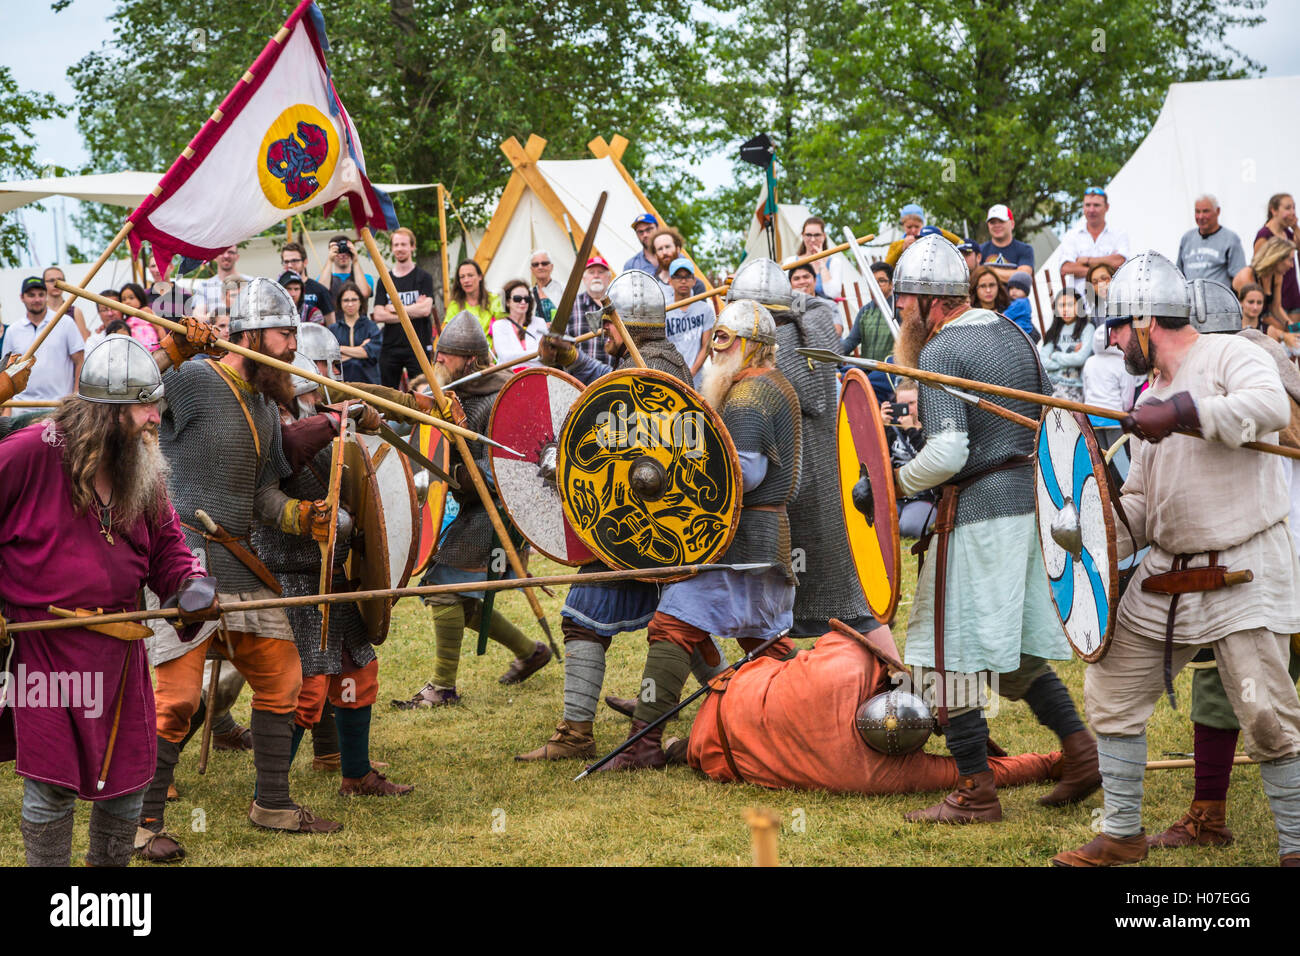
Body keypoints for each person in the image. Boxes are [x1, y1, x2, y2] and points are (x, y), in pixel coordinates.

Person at [1053, 252, 1300, 867]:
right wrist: (1091, 522)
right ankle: (1121, 834)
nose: (1111, 341)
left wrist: (1186, 412)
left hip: (1240, 565)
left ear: (1143, 323)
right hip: (1167, 572)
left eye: (1117, 328)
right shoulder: (1148, 393)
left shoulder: (1228, 353)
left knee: (1266, 712)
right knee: (1111, 688)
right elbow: (1143, 501)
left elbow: (1268, 407)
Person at [890, 235, 1097, 824]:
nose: (901, 313)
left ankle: (976, 790)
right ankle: (1081, 753)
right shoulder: (1015, 335)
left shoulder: (939, 352)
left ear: (930, 303)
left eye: (905, 302)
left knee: (943, 651)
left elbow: (950, 449)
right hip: (1028, 506)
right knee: (1005, 651)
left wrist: (895, 484)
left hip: (979, 513)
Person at [137, 278, 344, 861]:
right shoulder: (197, 379)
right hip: (183, 562)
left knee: (283, 676)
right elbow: (125, 387)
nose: (289, 348)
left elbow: (260, 497)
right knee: (176, 699)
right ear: (252, 334)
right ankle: (143, 823)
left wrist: (303, 517)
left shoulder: (260, 401)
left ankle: (272, 803)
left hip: (241, 560)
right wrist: (174, 351)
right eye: (283, 335)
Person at [0, 336, 220, 867]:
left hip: (121, 655)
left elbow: (169, 545)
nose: (154, 418)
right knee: (50, 788)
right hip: (46, 654)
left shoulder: (141, 467)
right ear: (106, 413)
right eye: (144, 406)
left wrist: (190, 586)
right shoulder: (30, 452)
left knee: (126, 788)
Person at [598, 299, 803, 771]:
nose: (715, 350)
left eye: (725, 341)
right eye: (715, 338)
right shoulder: (775, 384)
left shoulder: (750, 395)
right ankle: (795, 714)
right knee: (763, 639)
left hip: (739, 535)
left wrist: (682, 464)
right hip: (761, 535)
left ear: (750, 347)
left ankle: (642, 744)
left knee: (675, 622)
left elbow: (744, 473)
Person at [519, 271, 707, 762]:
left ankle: (578, 735)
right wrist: (572, 361)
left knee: (587, 617)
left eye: (607, 325)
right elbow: (617, 393)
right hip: (649, 521)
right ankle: (735, 703)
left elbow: (638, 431)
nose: (603, 333)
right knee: (688, 621)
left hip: (643, 523)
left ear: (624, 323)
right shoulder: (661, 360)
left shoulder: (658, 363)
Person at [253, 334, 411, 797]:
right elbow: (289, 449)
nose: (310, 401)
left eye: (313, 395)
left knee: (357, 670)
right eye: (304, 394)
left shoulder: (321, 430)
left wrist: (379, 412)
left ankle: (356, 774)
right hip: (291, 574)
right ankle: (272, 791)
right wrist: (338, 420)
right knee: (307, 686)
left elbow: (347, 451)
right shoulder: (269, 433)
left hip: (330, 573)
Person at [380, 313, 551, 708]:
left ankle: (442, 688)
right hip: (467, 508)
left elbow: (506, 474)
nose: (439, 364)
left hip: (492, 513)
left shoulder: (498, 402)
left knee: (444, 589)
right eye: (439, 355)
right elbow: (422, 435)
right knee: (465, 600)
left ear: (471, 361)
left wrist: (455, 473)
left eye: (447, 358)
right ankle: (531, 652)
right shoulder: (450, 396)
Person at [678, 622, 1061, 794]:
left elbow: (853, 626)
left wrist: (895, 670)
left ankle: (666, 739)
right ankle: (676, 748)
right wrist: (1053, 763)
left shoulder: (848, 667)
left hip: (729, 692)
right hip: (712, 748)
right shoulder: (877, 775)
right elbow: (989, 773)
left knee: (685, 626)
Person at [726, 258, 875, 638]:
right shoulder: (814, 328)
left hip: (781, 489)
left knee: (767, 611)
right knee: (840, 602)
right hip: (820, 482)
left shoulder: (768, 349)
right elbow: (813, 306)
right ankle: (892, 681)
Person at [0, 277, 85, 408]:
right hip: (21, 407)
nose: (37, 299)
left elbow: (80, 361)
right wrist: (8, 409)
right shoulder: (13, 330)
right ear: (22, 297)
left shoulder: (65, 322)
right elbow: (7, 372)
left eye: (41, 294)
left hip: (58, 406)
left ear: (46, 296)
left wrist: (76, 396)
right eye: (31, 295)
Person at [371, 227, 436, 389]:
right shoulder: (384, 279)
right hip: (390, 347)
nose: (399, 249)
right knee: (389, 393)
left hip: (418, 346)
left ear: (412, 247)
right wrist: (414, 308)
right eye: (396, 245)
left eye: (404, 244)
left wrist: (393, 308)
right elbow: (378, 315)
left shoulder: (424, 277)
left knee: (422, 393)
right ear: (392, 248)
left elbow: (425, 310)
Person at [1058, 187, 1129, 296]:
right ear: (1083, 207)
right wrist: (1104, 274)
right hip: (1081, 307)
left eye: (1096, 205)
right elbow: (1066, 268)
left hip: (1112, 305)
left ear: (1107, 207)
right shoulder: (1071, 236)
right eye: (1087, 205)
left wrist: (1086, 260)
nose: (1091, 210)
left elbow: (1120, 262)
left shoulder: (1119, 234)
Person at [1176, 194, 1247, 287]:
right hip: (1190, 299)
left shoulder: (1230, 239)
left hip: (1219, 299)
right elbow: (1178, 275)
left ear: (1217, 211)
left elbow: (1240, 278)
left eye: (1205, 211)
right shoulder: (1187, 238)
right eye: (1197, 211)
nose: (1201, 216)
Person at [1233, 235, 1297, 335]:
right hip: (1238, 327)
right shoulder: (1247, 275)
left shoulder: (1277, 276)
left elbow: (1276, 307)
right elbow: (1252, 312)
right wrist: (1283, 334)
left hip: (1256, 323)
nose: (1292, 265)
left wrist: (1292, 327)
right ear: (1277, 258)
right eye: (1290, 260)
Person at [663, 257, 713, 385]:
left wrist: (691, 373)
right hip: (670, 377)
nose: (683, 281)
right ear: (670, 281)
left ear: (694, 281)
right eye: (678, 277)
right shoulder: (664, 311)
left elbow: (706, 346)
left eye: (687, 276)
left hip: (697, 380)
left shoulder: (704, 309)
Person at [1039, 289, 1094, 402]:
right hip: (1050, 386)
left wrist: (1055, 356)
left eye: (1070, 305)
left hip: (1074, 387)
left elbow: (1080, 359)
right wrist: (1071, 357)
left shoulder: (1087, 329)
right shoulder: (1054, 330)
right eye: (1061, 305)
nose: (1065, 309)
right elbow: (1043, 361)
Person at [1253, 193, 1299, 326]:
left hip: (1290, 290)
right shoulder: (1264, 236)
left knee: (1293, 337)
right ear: (1273, 210)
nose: (1292, 213)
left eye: (1294, 208)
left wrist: (1295, 227)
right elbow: (1259, 268)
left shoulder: (1289, 233)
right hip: (1269, 296)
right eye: (1287, 208)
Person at [841, 261, 897, 361]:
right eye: (872, 281)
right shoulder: (865, 311)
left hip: (891, 371)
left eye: (882, 281)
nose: (876, 285)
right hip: (867, 369)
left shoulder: (900, 309)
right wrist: (831, 353)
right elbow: (851, 341)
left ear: (891, 284)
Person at [566, 256, 614, 368]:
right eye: (591, 272)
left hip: (614, 378)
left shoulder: (620, 305)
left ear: (609, 278)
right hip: (579, 378)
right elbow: (562, 342)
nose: (596, 276)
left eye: (601, 272)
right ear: (584, 278)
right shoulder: (571, 305)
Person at [490, 278, 549, 369]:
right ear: (508, 302)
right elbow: (506, 357)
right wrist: (536, 354)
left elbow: (545, 355)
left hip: (537, 375)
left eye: (527, 298)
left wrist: (517, 358)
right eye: (517, 298)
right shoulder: (498, 325)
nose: (523, 302)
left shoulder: (539, 322)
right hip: (509, 378)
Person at [330, 280, 382, 384]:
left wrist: (340, 349)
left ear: (360, 302)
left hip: (369, 384)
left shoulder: (371, 327)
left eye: (354, 300)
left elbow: (368, 353)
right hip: (342, 385)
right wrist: (359, 350)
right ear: (340, 303)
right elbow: (330, 359)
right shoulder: (333, 330)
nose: (350, 304)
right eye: (346, 300)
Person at [884, 204, 961, 265]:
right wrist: (902, 248)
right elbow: (886, 267)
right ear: (903, 226)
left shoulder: (930, 239)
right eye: (909, 227)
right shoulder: (896, 245)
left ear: (923, 225)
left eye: (917, 226)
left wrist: (934, 230)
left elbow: (959, 242)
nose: (913, 230)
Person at [444, 258, 501, 338]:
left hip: (491, 350)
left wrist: (494, 350)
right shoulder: (454, 305)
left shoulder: (495, 300)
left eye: (470, 275)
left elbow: (504, 330)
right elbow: (448, 335)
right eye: (462, 277)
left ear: (480, 277)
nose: (466, 280)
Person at [794, 216, 847, 300]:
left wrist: (821, 262)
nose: (812, 239)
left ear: (824, 236)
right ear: (802, 236)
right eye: (808, 235)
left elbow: (832, 293)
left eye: (817, 235)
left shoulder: (834, 262)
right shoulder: (791, 262)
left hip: (826, 311)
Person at [280, 242, 334, 325]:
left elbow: (332, 325)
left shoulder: (320, 290)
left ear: (305, 262)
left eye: (294, 261)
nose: (290, 265)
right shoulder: (277, 289)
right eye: (286, 262)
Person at [318, 235, 373, 315]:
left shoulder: (366, 278)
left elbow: (364, 293)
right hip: (333, 326)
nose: (342, 254)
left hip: (360, 325)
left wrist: (355, 261)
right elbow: (321, 294)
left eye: (346, 250)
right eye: (338, 251)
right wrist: (330, 260)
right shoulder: (322, 278)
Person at [978, 204, 1034, 279]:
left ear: (1012, 224)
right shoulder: (980, 250)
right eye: (992, 222)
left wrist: (986, 271)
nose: (996, 225)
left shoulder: (1025, 249)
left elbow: (1023, 276)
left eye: (1001, 221)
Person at [195, 246, 249, 317]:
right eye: (221, 252)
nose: (226, 256)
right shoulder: (204, 286)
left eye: (231, 252)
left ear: (237, 257)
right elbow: (198, 318)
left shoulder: (250, 282)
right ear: (214, 257)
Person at [42, 266, 91, 340]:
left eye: (60, 280)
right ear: (43, 283)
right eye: (51, 280)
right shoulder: (39, 312)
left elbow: (83, 341)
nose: (56, 283)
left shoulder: (75, 312)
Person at [118, 283, 160, 350]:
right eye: (124, 299)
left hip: (153, 349)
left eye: (131, 298)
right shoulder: (125, 320)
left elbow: (159, 328)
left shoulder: (146, 311)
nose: (127, 302)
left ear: (140, 298)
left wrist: (165, 346)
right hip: (136, 352)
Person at [528, 249, 562, 323]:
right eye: (535, 264)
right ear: (531, 269)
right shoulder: (528, 293)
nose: (540, 267)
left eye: (544, 263)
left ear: (551, 266)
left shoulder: (563, 288)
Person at [1004, 272, 1038, 342]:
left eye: (1018, 288)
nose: (1013, 291)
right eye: (1011, 288)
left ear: (1025, 291)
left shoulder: (1020, 303)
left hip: (1021, 333)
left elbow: (1005, 316)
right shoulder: (1025, 302)